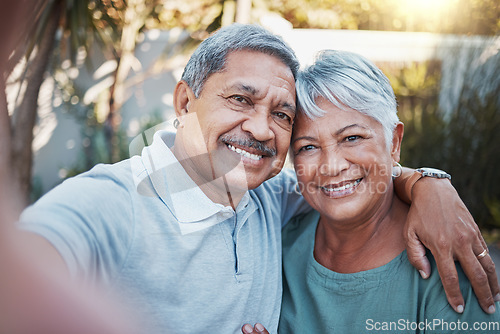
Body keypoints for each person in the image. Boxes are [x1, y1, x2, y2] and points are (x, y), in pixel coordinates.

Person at [13, 25, 498, 334]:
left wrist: (429, 183)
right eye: (241, 100)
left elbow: (353, 177)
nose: (263, 129)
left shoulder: (271, 198)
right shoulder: (114, 202)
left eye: (282, 115)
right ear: (184, 103)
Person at [242, 50, 500, 334]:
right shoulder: (277, 243)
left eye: (352, 138)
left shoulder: (447, 260)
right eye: (308, 147)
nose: (331, 166)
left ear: (394, 143)